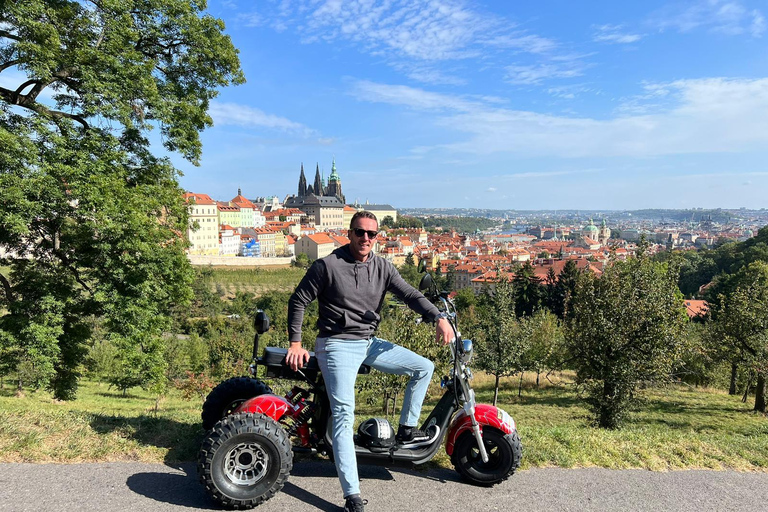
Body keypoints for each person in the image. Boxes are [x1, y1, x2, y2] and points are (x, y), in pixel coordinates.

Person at [286, 211, 453, 512]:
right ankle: (352, 494)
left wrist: (438, 317)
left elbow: (411, 295)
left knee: (423, 367)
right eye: (359, 233)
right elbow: (299, 300)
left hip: (368, 343)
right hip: (336, 344)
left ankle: (407, 429)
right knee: (344, 414)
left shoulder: (383, 268)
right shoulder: (327, 265)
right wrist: (296, 343)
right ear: (349, 234)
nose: (365, 239)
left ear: (377, 237)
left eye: (371, 234)